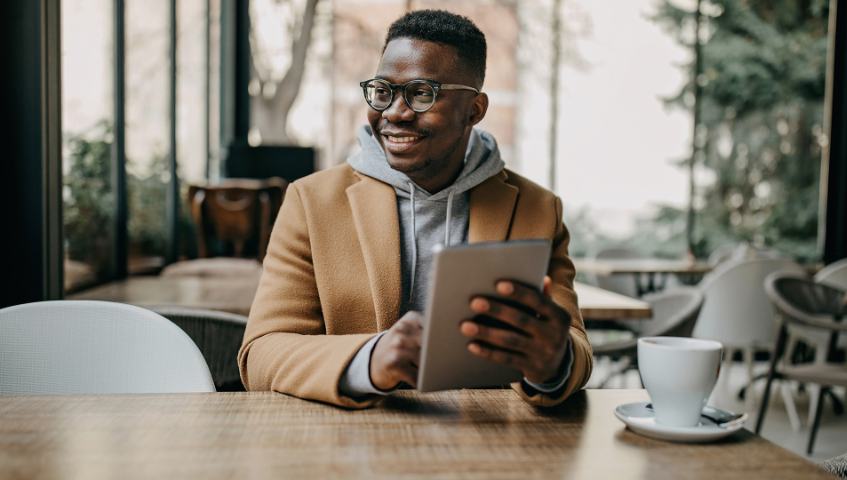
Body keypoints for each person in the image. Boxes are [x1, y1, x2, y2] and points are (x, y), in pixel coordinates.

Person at [238, 9, 592, 408]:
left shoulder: (537, 208)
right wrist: (368, 360)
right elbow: (261, 354)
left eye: (422, 93)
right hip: (348, 443)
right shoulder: (311, 201)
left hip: (490, 442)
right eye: (383, 91)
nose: (394, 113)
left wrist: (555, 363)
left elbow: (575, 347)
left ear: (474, 110)